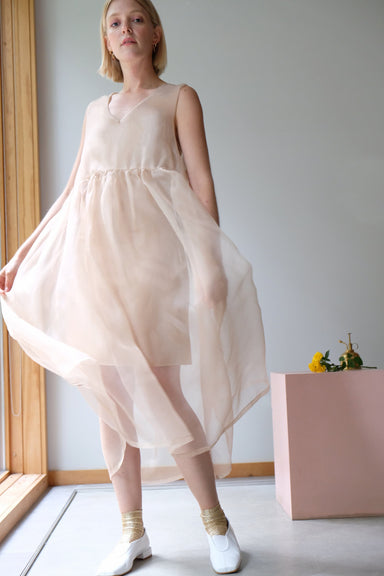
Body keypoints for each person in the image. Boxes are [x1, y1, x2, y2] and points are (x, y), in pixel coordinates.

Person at [0, 0, 269, 574]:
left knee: (168, 395)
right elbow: (72, 191)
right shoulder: (96, 110)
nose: (126, 29)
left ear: (155, 32)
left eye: (137, 19)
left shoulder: (179, 98)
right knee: (109, 402)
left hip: (156, 269)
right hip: (97, 270)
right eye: (115, 22)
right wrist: (21, 253)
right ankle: (132, 533)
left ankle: (216, 524)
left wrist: (210, 265)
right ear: (106, 38)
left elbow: (201, 183)